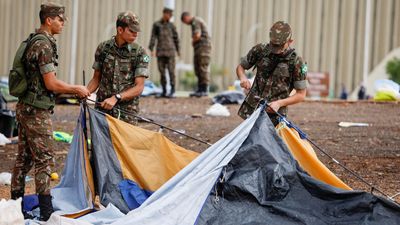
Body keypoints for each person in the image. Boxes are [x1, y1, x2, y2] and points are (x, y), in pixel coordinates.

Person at [10, 2, 90, 221]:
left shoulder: (34, 40)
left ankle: (15, 205)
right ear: (49, 19)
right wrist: (76, 89)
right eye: (60, 19)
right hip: (36, 111)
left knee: (24, 158)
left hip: (26, 107)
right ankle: (46, 212)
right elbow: (51, 83)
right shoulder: (43, 44)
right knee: (45, 158)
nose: (63, 23)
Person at [236, 21, 308, 126]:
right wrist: (242, 78)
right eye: (273, 45)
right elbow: (241, 67)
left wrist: (279, 103)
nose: (276, 50)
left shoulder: (297, 62)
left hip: (274, 114)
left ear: (290, 41)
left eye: (280, 46)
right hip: (252, 110)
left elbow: (301, 95)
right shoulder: (260, 50)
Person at [87, 11, 150, 125]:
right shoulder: (104, 48)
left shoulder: (140, 53)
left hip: (127, 113)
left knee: (124, 143)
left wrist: (117, 97)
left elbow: (139, 87)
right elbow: (96, 79)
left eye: (136, 31)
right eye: (131, 31)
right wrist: (85, 93)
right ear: (120, 30)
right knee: (101, 142)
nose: (135, 34)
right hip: (103, 109)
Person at [149, 7, 180, 98]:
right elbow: (153, 37)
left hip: (170, 52)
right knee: (162, 72)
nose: (170, 16)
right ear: (164, 13)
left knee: (171, 72)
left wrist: (178, 50)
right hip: (160, 52)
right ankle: (164, 90)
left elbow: (176, 38)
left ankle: (172, 90)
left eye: (171, 15)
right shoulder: (157, 25)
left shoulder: (172, 26)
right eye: (169, 14)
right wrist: (152, 49)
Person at [181, 12, 212, 97]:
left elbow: (197, 35)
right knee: (198, 68)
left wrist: (193, 41)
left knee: (202, 67)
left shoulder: (195, 21)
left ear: (186, 17)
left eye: (185, 21)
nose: (186, 23)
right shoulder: (195, 21)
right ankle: (200, 89)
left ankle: (204, 89)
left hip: (203, 48)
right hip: (200, 48)